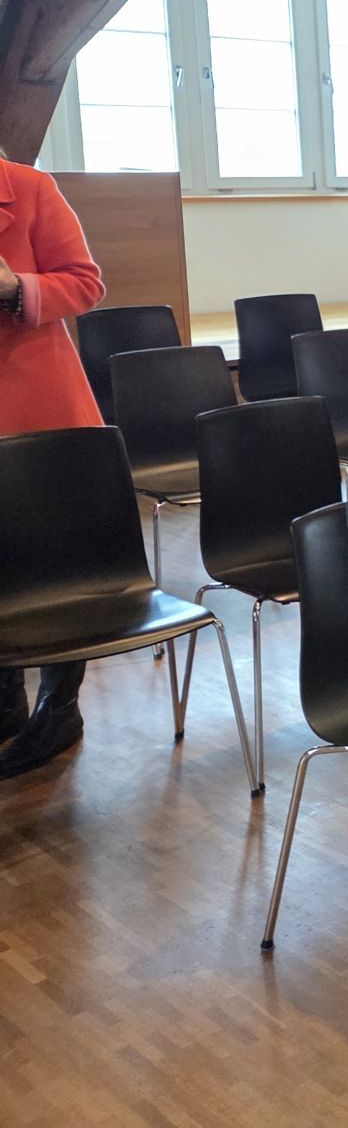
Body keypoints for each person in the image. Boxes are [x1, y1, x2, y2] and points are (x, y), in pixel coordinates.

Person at [0, 146, 108, 779]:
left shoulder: (30, 188)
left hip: (43, 406)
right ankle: (5, 699)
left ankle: (59, 707)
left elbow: (86, 281)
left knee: (56, 560)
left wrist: (17, 286)